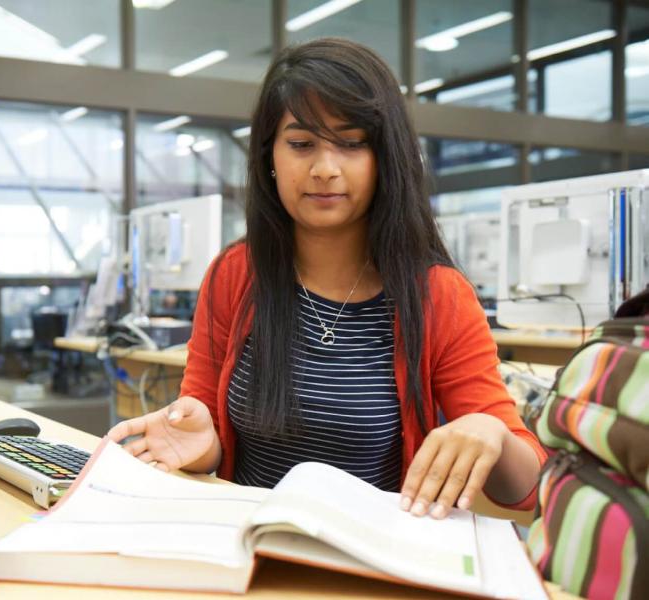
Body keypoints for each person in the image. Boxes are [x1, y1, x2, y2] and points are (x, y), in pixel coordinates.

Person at [109, 38, 545, 520]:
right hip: (247, 547)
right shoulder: (235, 274)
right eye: (301, 144)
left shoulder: (438, 295)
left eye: (352, 144)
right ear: (270, 156)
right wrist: (201, 447)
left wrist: (492, 433)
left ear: (385, 158)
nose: (324, 169)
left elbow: (526, 490)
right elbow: (207, 435)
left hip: (369, 565)